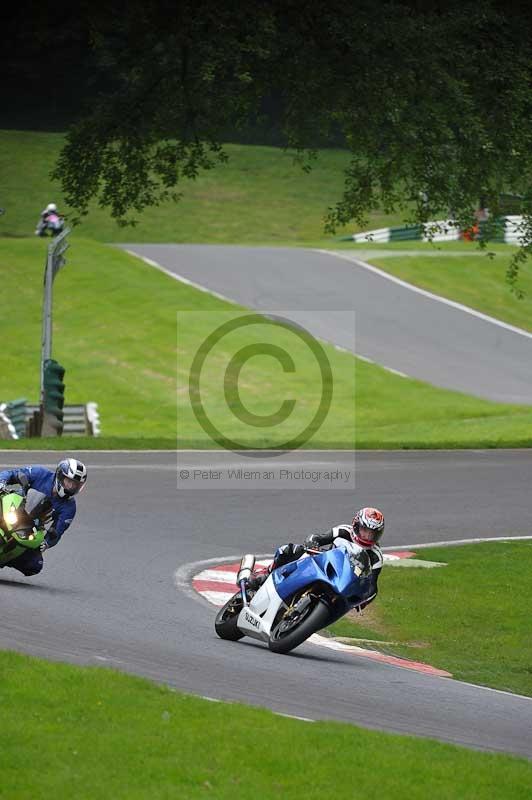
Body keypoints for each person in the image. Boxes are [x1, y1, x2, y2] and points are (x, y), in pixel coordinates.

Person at [249, 507, 385, 611]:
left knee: (342, 605)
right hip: (323, 564)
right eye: (365, 530)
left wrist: (363, 600)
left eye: (372, 534)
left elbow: (372, 586)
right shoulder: (344, 531)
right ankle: (266, 573)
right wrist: (312, 542)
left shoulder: (376, 555)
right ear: (356, 525)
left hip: (342, 583)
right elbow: (319, 538)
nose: (367, 536)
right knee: (289, 550)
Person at [0, 458, 87, 576]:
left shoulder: (69, 507)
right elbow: (12, 474)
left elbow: (58, 531)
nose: (72, 487)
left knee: (35, 564)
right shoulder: (40, 473)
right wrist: (2, 482)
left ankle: (5, 560)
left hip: (31, 526)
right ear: (60, 476)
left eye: (76, 485)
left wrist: (46, 543)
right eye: (69, 482)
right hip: (14, 506)